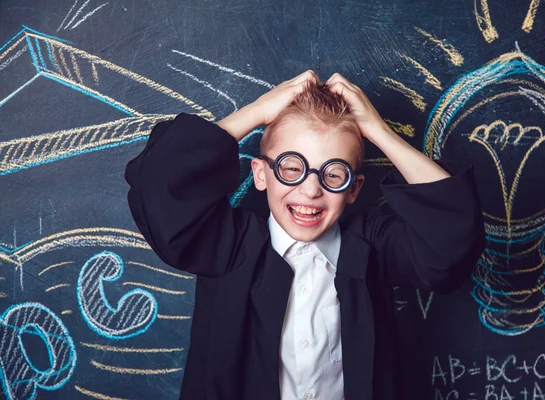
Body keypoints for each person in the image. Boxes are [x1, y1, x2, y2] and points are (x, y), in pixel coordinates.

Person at [124, 70, 485, 399]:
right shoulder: (227, 245)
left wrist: (377, 130)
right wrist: (258, 111)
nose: (311, 190)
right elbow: (158, 184)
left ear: (354, 188)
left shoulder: (370, 247)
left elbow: (452, 238)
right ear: (261, 174)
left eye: (333, 174)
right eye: (291, 167)